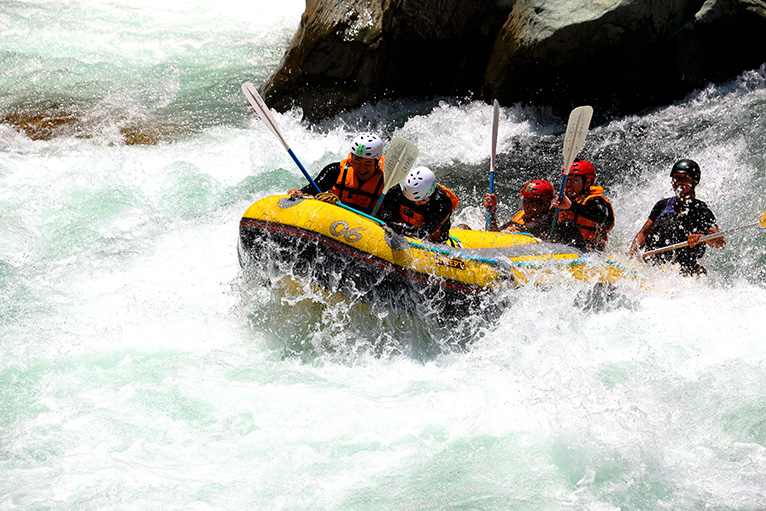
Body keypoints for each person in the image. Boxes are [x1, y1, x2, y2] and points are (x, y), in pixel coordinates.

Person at [627, 159, 724, 275]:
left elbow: (719, 242)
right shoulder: (662, 205)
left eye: (685, 178)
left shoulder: (701, 211)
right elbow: (643, 233)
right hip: (653, 268)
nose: (679, 182)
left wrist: (701, 237)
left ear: (695, 182)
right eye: (676, 178)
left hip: (680, 273)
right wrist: (631, 255)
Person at [288, 132, 386, 215]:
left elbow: (392, 218)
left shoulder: (387, 184)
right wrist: (298, 193)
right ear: (351, 158)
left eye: (368, 163)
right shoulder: (335, 171)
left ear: (376, 162)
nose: (361, 168)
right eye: (357, 161)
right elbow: (310, 191)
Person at [380, 166, 459, 243]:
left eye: (422, 200)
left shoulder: (442, 204)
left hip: (433, 243)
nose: (416, 203)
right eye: (412, 199)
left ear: (432, 193)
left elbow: (424, 233)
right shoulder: (402, 192)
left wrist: (399, 229)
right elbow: (388, 213)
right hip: (403, 231)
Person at [551, 160, 615, 251]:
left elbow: (603, 216)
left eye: (573, 181)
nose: (568, 185)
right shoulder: (562, 200)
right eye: (567, 180)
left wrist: (572, 206)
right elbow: (546, 222)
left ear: (587, 182)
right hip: (565, 251)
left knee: (566, 225)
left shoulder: (595, 200)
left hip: (592, 254)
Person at [484, 179, 556, 239]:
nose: (526, 206)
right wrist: (492, 211)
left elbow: (537, 226)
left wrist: (520, 231)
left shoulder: (552, 219)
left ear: (545, 204)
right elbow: (494, 233)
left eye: (531, 202)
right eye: (525, 201)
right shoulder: (520, 215)